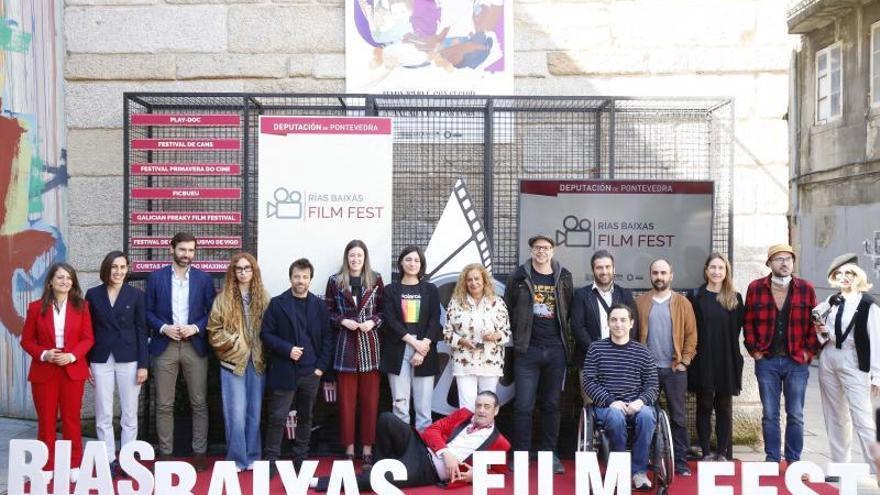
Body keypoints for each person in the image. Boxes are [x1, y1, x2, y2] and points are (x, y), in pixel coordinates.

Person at [312, 391, 510, 491]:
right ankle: (379, 465)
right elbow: (433, 430)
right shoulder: (464, 415)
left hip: (427, 469)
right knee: (387, 419)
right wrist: (446, 453)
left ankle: (319, 482)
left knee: (380, 479)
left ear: (497, 410)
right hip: (420, 446)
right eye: (479, 405)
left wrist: (475, 476)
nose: (482, 410)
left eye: (487, 407)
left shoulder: (500, 442)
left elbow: (499, 476)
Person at [145, 232, 217, 469]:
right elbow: (147, 312)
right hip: (164, 346)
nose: (187, 255)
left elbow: (212, 313)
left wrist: (195, 327)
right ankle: (165, 453)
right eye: (183, 250)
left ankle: (199, 454)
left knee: (199, 402)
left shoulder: (204, 280)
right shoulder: (155, 278)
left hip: (194, 346)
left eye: (191, 251)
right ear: (171, 249)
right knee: (164, 403)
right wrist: (164, 328)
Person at [743, 244, 819, 464]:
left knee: (796, 414)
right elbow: (748, 322)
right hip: (766, 360)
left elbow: (815, 324)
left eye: (788, 259)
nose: (784, 263)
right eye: (779, 259)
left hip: (797, 361)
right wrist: (754, 350)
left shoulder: (805, 288)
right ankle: (772, 459)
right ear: (769, 263)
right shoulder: (756, 287)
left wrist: (808, 352)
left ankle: (794, 460)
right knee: (770, 414)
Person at [505, 234, 573, 474]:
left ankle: (549, 454)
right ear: (531, 250)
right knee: (523, 405)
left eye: (546, 248)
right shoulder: (519, 276)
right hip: (527, 350)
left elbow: (568, 309)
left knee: (552, 405)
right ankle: (521, 455)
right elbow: (509, 308)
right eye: (537, 248)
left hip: (556, 350)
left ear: (552, 251)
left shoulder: (564, 276)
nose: (541, 252)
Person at [20, 263, 94, 482]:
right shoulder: (35, 307)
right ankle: (47, 464)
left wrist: (71, 356)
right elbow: (26, 340)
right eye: (60, 278)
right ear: (51, 282)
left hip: (72, 368)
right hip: (45, 370)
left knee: (72, 420)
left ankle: (74, 464)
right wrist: (44, 354)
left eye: (69, 278)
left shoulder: (82, 306)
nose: (65, 282)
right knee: (46, 420)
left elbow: (88, 338)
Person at [262, 258, 334, 475]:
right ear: (290, 277)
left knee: (306, 417)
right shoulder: (277, 303)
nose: (300, 281)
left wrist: (320, 369)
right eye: (297, 276)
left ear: (310, 280)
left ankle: (300, 458)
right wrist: (287, 349)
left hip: (311, 373)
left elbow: (327, 338)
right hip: (284, 370)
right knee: (277, 417)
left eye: (304, 277)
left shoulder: (319, 305)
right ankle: (271, 460)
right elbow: (265, 334)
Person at [815, 253, 880, 479]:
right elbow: (821, 325)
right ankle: (840, 466)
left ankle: (877, 468)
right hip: (829, 357)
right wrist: (822, 332)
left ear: (858, 276)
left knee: (862, 417)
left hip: (854, 360)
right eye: (839, 274)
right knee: (834, 415)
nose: (844, 277)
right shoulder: (832, 301)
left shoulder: (868, 304)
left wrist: (877, 376)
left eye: (849, 273)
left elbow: (877, 341)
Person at [583, 304, 659, 491]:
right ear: (608, 323)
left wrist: (639, 402)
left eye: (623, 320)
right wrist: (611, 402)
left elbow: (652, 385)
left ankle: (638, 473)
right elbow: (589, 382)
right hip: (606, 406)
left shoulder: (642, 352)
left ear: (631, 323)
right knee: (616, 417)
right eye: (614, 320)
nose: (619, 324)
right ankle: (618, 471)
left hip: (636, 404)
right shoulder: (596, 349)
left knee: (648, 416)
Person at [85, 251, 148, 476]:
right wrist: (85, 363)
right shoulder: (93, 295)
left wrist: (143, 364)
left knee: (129, 413)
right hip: (100, 357)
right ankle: (108, 459)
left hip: (129, 357)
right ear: (106, 269)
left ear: (127, 269)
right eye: (114, 267)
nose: (119, 271)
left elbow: (142, 330)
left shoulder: (136, 295)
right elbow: (87, 330)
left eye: (122, 267)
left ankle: (128, 459)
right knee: (103, 412)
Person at [206, 252, 270, 472]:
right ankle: (236, 460)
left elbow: (271, 329)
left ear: (254, 271)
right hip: (233, 365)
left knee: (254, 412)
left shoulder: (263, 297)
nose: (243, 272)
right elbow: (213, 332)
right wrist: (236, 344)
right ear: (233, 272)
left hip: (258, 363)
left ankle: (253, 457)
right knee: (235, 413)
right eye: (239, 269)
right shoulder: (222, 299)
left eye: (247, 268)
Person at [324, 240, 385, 468]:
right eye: (352, 256)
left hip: (370, 346)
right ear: (346, 258)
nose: (355, 259)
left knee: (370, 402)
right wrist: (342, 321)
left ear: (365, 257)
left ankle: (367, 450)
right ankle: (349, 450)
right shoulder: (335, 281)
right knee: (346, 404)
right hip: (345, 347)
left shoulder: (376, 279)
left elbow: (383, 310)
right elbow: (327, 312)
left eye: (359, 256)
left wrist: (373, 321)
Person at [635, 258, 697, 476]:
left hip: (673, 369)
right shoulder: (641, 302)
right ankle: (651, 458)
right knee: (646, 416)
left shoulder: (682, 303)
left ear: (671, 275)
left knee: (678, 416)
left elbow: (691, 335)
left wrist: (685, 361)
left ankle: (680, 461)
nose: (659, 277)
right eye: (655, 272)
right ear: (650, 275)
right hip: (647, 371)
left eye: (663, 273)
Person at [686, 252, 743, 462]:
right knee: (704, 405)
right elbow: (691, 328)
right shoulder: (695, 296)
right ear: (706, 270)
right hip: (703, 358)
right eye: (713, 268)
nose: (717, 272)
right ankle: (706, 451)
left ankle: (722, 452)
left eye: (721, 268)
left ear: (726, 271)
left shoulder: (735, 298)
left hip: (726, 358)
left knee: (724, 407)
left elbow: (737, 329)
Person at [381, 246, 442, 432]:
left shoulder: (430, 289)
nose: (412, 263)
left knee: (424, 409)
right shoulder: (391, 290)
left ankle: (424, 453)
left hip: (424, 349)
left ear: (421, 264)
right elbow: (390, 320)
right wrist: (413, 342)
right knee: (400, 405)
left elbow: (435, 319)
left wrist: (422, 346)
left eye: (416, 260)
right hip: (398, 348)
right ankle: (402, 447)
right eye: (408, 259)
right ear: (401, 262)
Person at [571, 249, 638, 401]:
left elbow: (633, 324)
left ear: (614, 269)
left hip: (623, 360)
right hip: (591, 361)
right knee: (591, 405)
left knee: (622, 404)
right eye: (599, 267)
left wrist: (624, 351)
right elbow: (577, 327)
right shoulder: (581, 295)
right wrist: (598, 353)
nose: (604, 271)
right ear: (593, 270)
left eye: (608, 267)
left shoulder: (625, 294)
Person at [443, 263, 510, 411]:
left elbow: (506, 332)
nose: (474, 283)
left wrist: (494, 336)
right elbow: (447, 334)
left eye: (477, 279)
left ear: (484, 280)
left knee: (487, 405)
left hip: (490, 361)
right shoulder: (456, 303)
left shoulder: (497, 303)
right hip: (464, 360)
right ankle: (468, 433)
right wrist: (461, 341)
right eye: (469, 280)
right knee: (467, 406)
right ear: (464, 283)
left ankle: (485, 434)